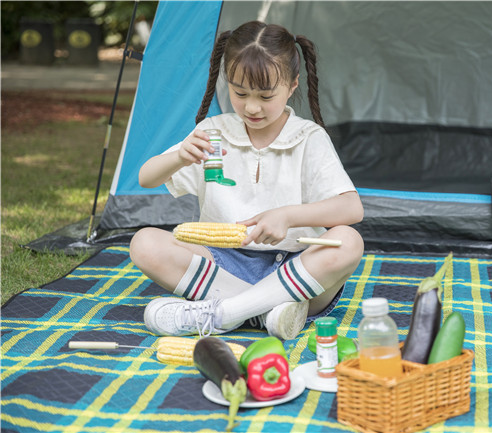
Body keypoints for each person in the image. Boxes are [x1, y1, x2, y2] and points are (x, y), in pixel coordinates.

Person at [129, 21, 364, 340]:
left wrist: (288, 216)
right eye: (240, 93)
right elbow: (145, 178)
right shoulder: (213, 132)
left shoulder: (309, 138)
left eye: (266, 96)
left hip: (296, 268)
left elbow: (352, 208)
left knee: (349, 242)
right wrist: (179, 157)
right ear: (227, 83)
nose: (252, 107)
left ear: (293, 86)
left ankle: (225, 313)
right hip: (222, 264)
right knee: (144, 243)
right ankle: (263, 311)